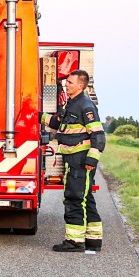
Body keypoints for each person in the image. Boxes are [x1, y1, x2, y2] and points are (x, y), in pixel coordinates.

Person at [47, 70, 105, 252]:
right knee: (85, 198)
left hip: (79, 160)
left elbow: (99, 135)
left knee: (74, 197)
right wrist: (36, 115)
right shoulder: (72, 104)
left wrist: (91, 160)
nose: (67, 84)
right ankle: (93, 240)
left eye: (70, 82)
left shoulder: (85, 105)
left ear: (80, 85)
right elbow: (59, 124)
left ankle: (74, 242)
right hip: (73, 158)